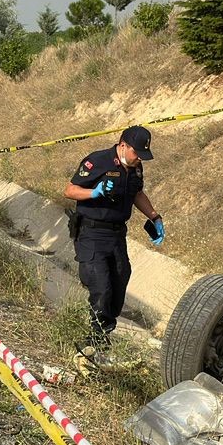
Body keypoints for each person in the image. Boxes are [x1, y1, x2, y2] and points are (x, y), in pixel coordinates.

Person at [62, 124, 164, 360]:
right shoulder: (97, 161)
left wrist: (154, 216)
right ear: (123, 146)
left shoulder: (135, 169)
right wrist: (94, 193)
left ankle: (104, 330)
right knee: (101, 286)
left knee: (120, 280)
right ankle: (95, 341)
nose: (139, 159)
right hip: (92, 233)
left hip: (117, 235)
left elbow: (137, 194)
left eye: (142, 155)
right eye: (136, 153)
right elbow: (70, 190)